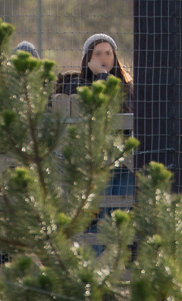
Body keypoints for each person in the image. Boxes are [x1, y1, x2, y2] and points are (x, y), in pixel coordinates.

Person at [57, 33, 134, 200]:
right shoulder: (76, 84)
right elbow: (95, 105)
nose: (103, 58)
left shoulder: (127, 88)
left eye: (108, 53)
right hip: (92, 159)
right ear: (88, 59)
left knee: (121, 201)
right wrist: (101, 76)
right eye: (97, 54)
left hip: (125, 159)